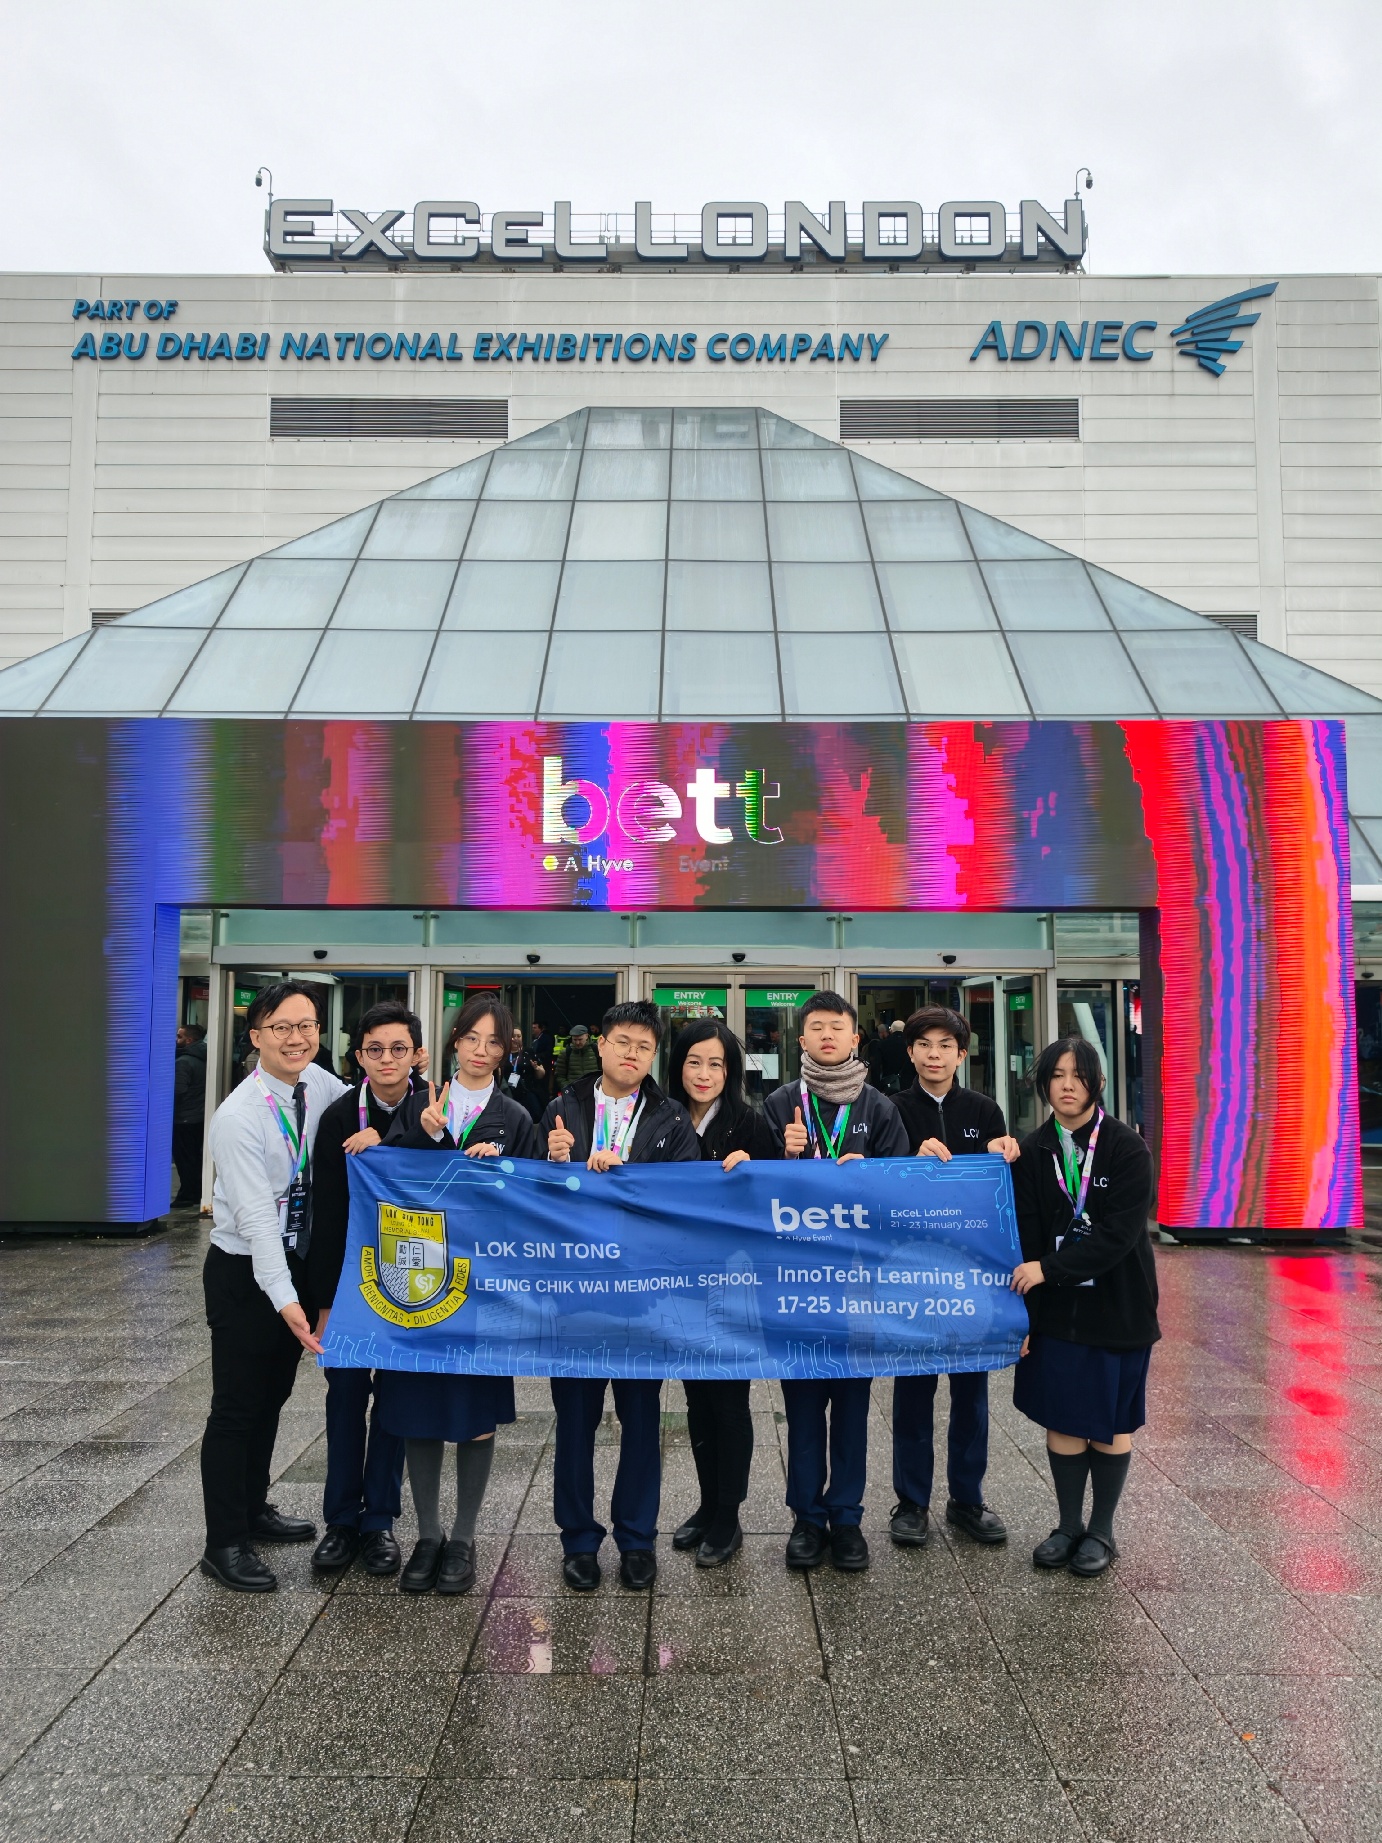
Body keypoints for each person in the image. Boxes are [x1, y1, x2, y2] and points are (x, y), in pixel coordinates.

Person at [375, 995, 537, 1595]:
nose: (481, 1051)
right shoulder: (417, 1103)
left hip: (484, 1288)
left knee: (474, 1414)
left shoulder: (516, 1116)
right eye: (472, 1038)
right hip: (419, 1282)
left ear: (505, 1050)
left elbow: (533, 1197)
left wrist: (502, 1168)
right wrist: (420, 1136)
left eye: (494, 1042)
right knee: (417, 1407)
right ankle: (428, 1535)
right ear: (454, 1042)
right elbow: (385, 1176)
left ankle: (463, 1538)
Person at [539, 1001, 698, 1591]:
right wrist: (554, 1163)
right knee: (574, 1425)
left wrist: (627, 1175)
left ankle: (636, 1538)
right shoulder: (561, 1107)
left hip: (641, 1296)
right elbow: (530, 1198)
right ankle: (578, 1541)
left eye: (644, 1047)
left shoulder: (670, 1116)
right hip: (575, 1294)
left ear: (653, 1055)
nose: (632, 1054)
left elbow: (682, 1200)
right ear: (601, 1044)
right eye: (623, 1042)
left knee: (641, 1421)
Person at [199, 982, 344, 1592]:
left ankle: (253, 1507)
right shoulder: (238, 1117)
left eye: (307, 1025)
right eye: (282, 1027)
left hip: (296, 1262)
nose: (296, 1038)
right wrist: (287, 1302)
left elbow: (368, 1106)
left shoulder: (320, 1086)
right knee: (237, 1408)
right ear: (256, 1036)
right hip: (245, 1273)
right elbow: (258, 1223)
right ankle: (224, 1541)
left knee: (272, 1397)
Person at [762, 991, 909, 1573]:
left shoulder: (879, 1107)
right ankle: (807, 1518)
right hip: (797, 1285)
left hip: (857, 1288)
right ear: (801, 1040)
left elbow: (900, 1193)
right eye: (817, 1027)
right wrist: (782, 1156)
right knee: (802, 1409)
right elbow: (754, 1195)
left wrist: (872, 1176)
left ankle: (846, 1518)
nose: (827, 1036)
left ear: (855, 1038)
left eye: (837, 1027)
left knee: (850, 1409)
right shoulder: (779, 1104)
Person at [1010, 1035, 1158, 1577]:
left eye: (1078, 1075)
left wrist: (1048, 1269)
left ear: (1098, 1083)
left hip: (1118, 1306)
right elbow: (1026, 1234)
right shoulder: (1033, 1150)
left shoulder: (1126, 1147)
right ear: (1043, 1084)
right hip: (1057, 1311)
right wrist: (1025, 1316)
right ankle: (1068, 1525)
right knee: (1064, 1418)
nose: (1067, 1085)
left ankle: (1101, 1530)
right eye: (1057, 1076)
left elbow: (1119, 1235)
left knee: (1110, 1423)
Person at [889, 1006, 1021, 1550]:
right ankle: (911, 1502)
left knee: (971, 1393)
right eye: (925, 1044)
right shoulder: (892, 1109)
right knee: (913, 1390)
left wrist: (1003, 1152)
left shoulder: (984, 1110)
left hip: (972, 1277)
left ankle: (967, 1498)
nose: (935, 1054)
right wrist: (907, 1155)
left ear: (962, 1055)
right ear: (910, 1052)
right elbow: (879, 1180)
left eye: (946, 1045)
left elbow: (1001, 1194)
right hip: (913, 1273)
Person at [303, 1001, 425, 1579]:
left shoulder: (436, 1110)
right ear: (359, 1056)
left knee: (395, 1402)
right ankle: (340, 1521)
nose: (386, 1059)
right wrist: (325, 1303)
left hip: (414, 1278)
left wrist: (396, 1138)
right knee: (346, 1398)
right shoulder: (338, 1117)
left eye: (398, 1049)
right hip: (351, 1281)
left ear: (416, 1054)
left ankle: (379, 1521)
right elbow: (326, 1215)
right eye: (375, 1049)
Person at [665, 1019, 779, 1568]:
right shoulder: (661, 1118)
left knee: (730, 1399)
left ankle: (729, 1515)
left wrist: (757, 1172)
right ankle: (708, 1503)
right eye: (694, 1061)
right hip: (681, 1279)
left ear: (730, 1071)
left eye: (715, 1063)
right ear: (678, 1065)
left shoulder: (750, 1123)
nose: (704, 1073)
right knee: (696, 1398)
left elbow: (778, 1199)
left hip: (734, 1282)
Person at [172, 1024, 207, 1207]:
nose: (176, 1040)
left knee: (185, 1158)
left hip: (184, 1117)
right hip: (199, 1115)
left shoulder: (183, 1062)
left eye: (180, 1036)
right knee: (194, 1157)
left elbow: (177, 1091)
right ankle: (196, 1191)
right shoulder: (205, 1058)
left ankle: (187, 1194)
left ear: (189, 1040)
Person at [503, 1026, 546, 1122]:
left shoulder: (528, 1052)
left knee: (535, 1115)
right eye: (513, 1036)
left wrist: (537, 1069)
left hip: (527, 1090)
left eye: (519, 1036)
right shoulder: (502, 1053)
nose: (516, 1038)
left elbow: (541, 1075)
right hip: (507, 1093)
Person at [555, 1023, 600, 1088]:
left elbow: (605, 1072)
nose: (577, 1043)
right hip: (574, 1090)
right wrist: (568, 1088)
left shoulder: (596, 1050)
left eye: (580, 1039)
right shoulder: (566, 1053)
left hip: (594, 1090)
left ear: (586, 1036)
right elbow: (559, 1076)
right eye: (575, 1040)